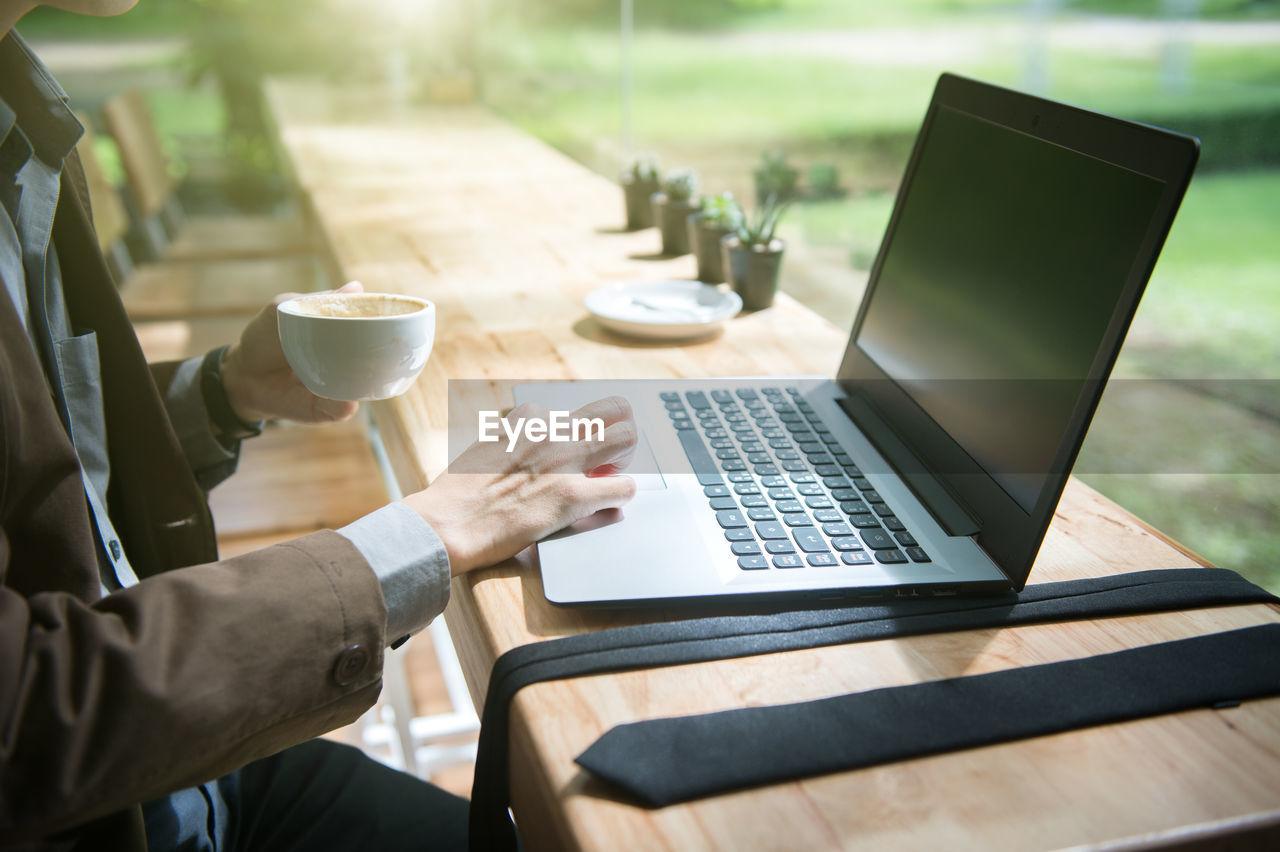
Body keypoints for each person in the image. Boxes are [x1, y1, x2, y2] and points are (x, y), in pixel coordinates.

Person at [0, 1, 637, 849]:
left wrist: (222, 392)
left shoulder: (19, 110)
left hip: (186, 777)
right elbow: (24, 719)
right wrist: (425, 534)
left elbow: (41, 470)